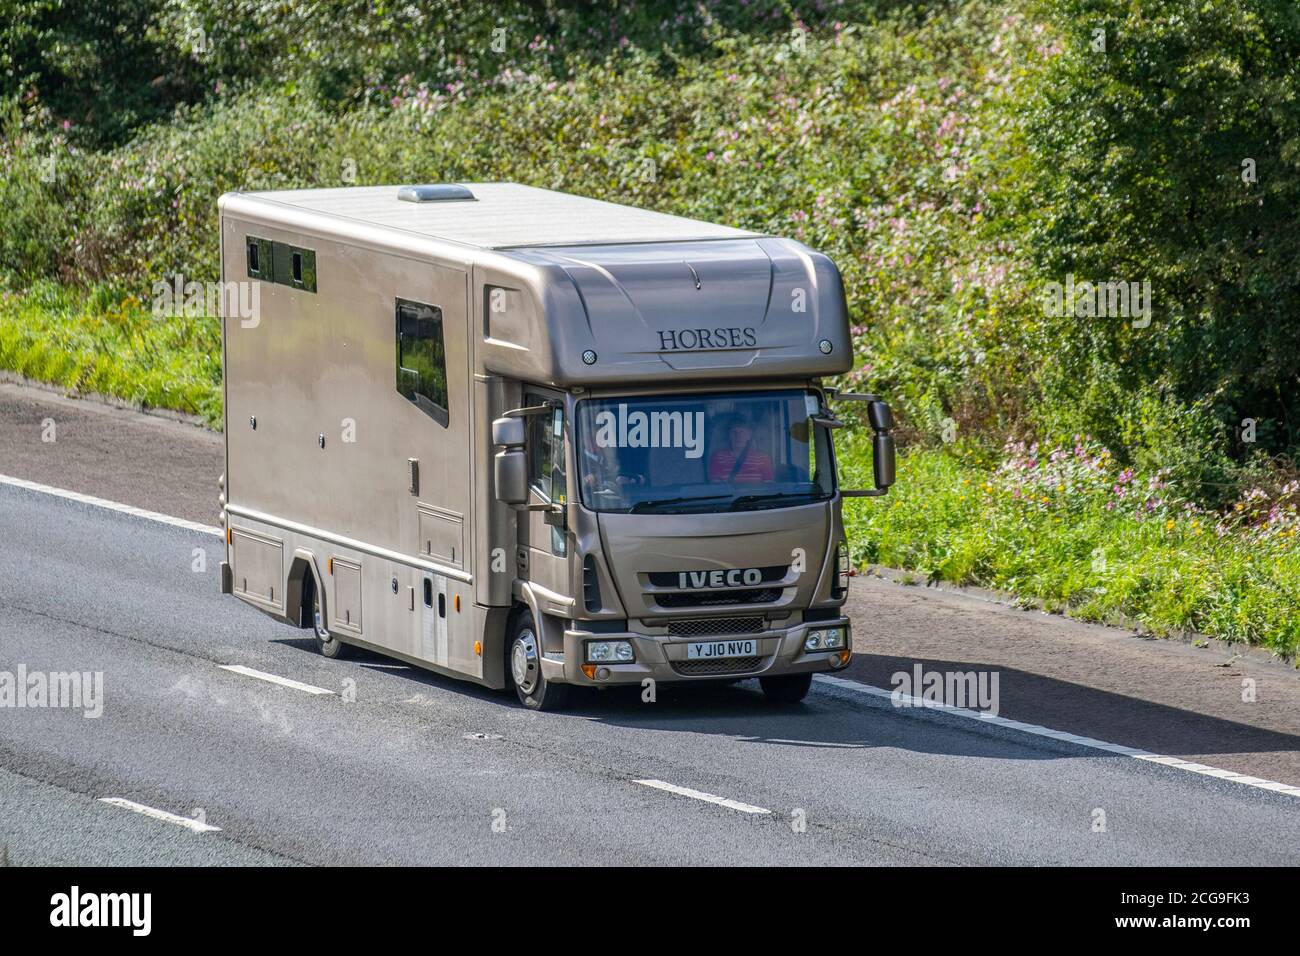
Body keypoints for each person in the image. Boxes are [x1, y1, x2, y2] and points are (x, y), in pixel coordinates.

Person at [708, 414, 773, 484]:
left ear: (749, 435)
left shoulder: (763, 459)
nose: (738, 436)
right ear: (729, 435)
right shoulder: (718, 458)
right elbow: (716, 489)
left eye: (742, 432)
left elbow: (769, 488)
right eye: (734, 432)